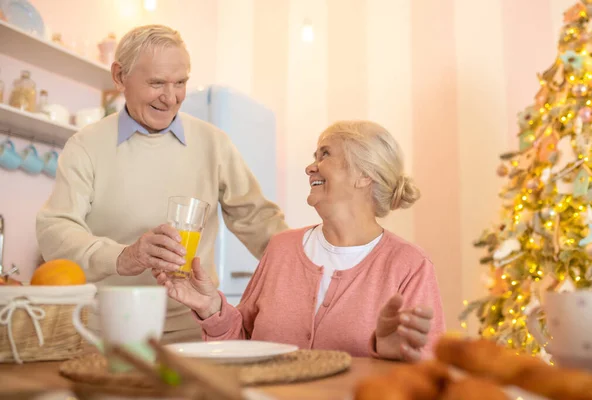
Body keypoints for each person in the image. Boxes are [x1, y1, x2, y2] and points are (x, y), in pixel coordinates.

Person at [36, 24, 288, 343]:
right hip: (107, 329)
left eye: (180, 82)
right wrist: (124, 256)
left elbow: (259, 221)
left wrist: (310, 267)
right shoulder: (85, 145)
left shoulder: (214, 143)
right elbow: (55, 230)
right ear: (119, 76)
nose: (170, 98)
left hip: (193, 329)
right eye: (156, 83)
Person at [154, 120, 445, 360]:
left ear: (364, 175)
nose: (310, 167)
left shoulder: (409, 265)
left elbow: (426, 374)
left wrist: (393, 356)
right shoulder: (282, 248)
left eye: (325, 154)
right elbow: (242, 344)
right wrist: (210, 308)